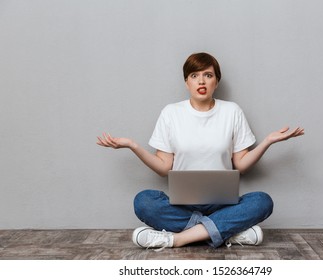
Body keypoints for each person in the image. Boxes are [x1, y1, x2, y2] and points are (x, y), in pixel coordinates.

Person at [97, 52, 304, 250]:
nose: (201, 81)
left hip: (222, 205)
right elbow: (163, 167)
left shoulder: (232, 111)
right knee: (144, 202)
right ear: (186, 82)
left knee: (262, 202)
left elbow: (241, 165)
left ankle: (177, 239)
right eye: (194, 76)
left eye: (208, 75)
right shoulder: (171, 113)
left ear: (217, 81)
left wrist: (267, 141)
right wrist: (133, 145)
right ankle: (226, 232)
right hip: (183, 206)